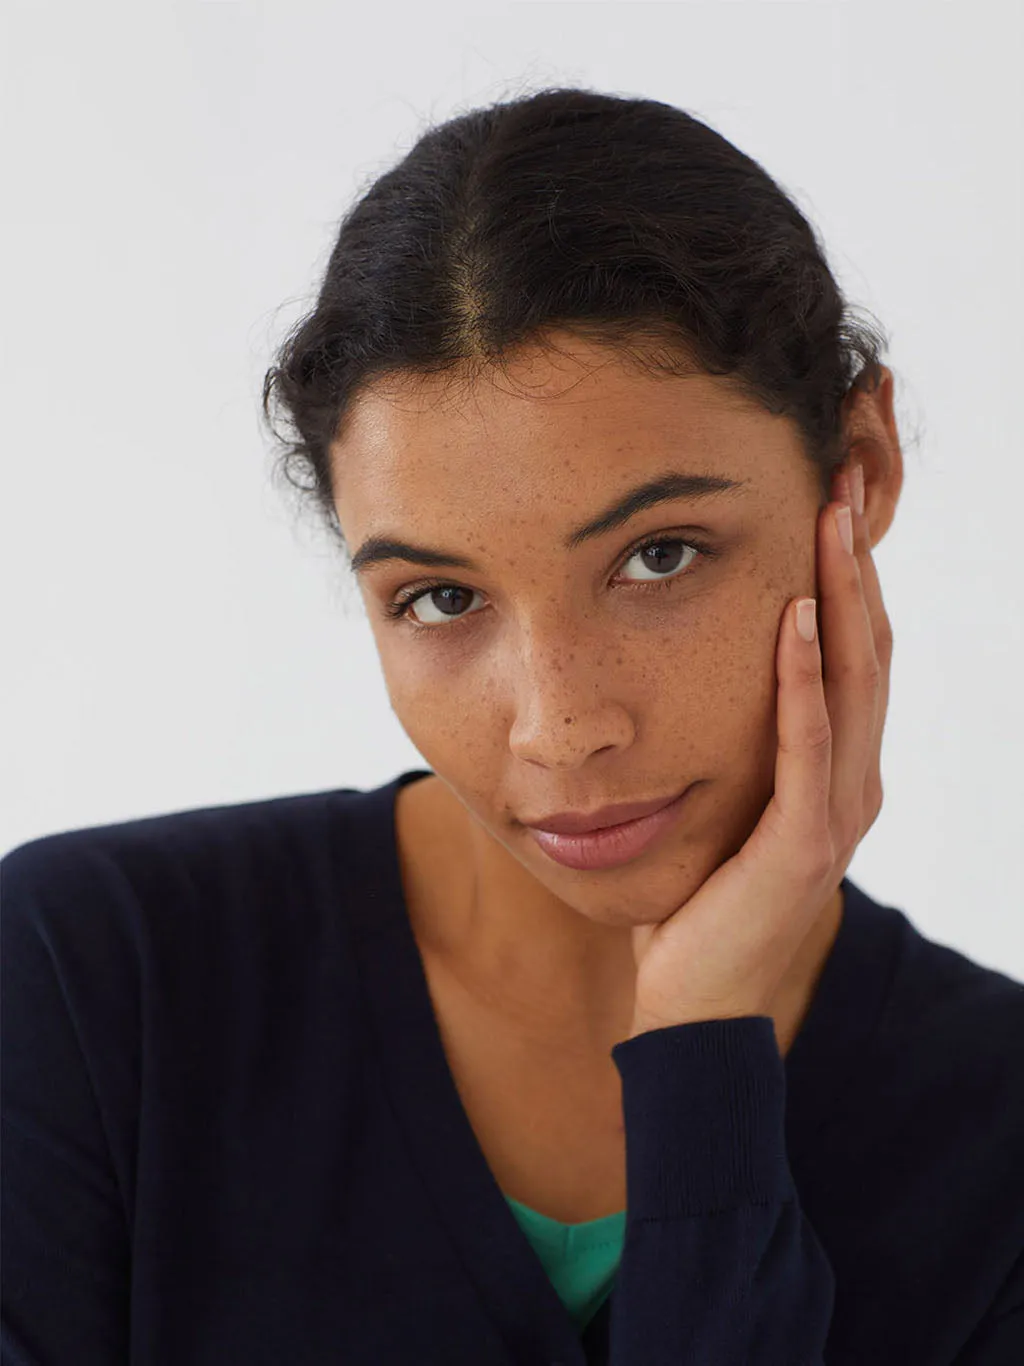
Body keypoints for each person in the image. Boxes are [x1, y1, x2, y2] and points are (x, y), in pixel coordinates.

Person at [3, 87, 1022, 1366]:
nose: (558, 726)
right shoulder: (94, 985)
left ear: (857, 468)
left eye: (659, 555)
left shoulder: (994, 1130)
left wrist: (705, 1048)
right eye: (439, 597)